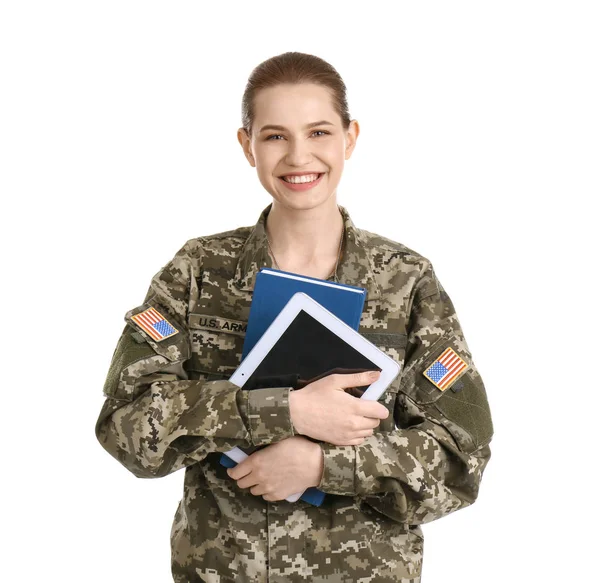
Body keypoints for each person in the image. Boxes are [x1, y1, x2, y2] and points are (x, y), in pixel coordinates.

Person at [96, 51, 494, 583]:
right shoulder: (196, 271)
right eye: (276, 136)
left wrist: (321, 466)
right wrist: (282, 411)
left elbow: (460, 459)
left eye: (320, 132)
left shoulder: (407, 280)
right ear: (248, 146)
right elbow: (125, 428)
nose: (298, 155)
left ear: (350, 138)